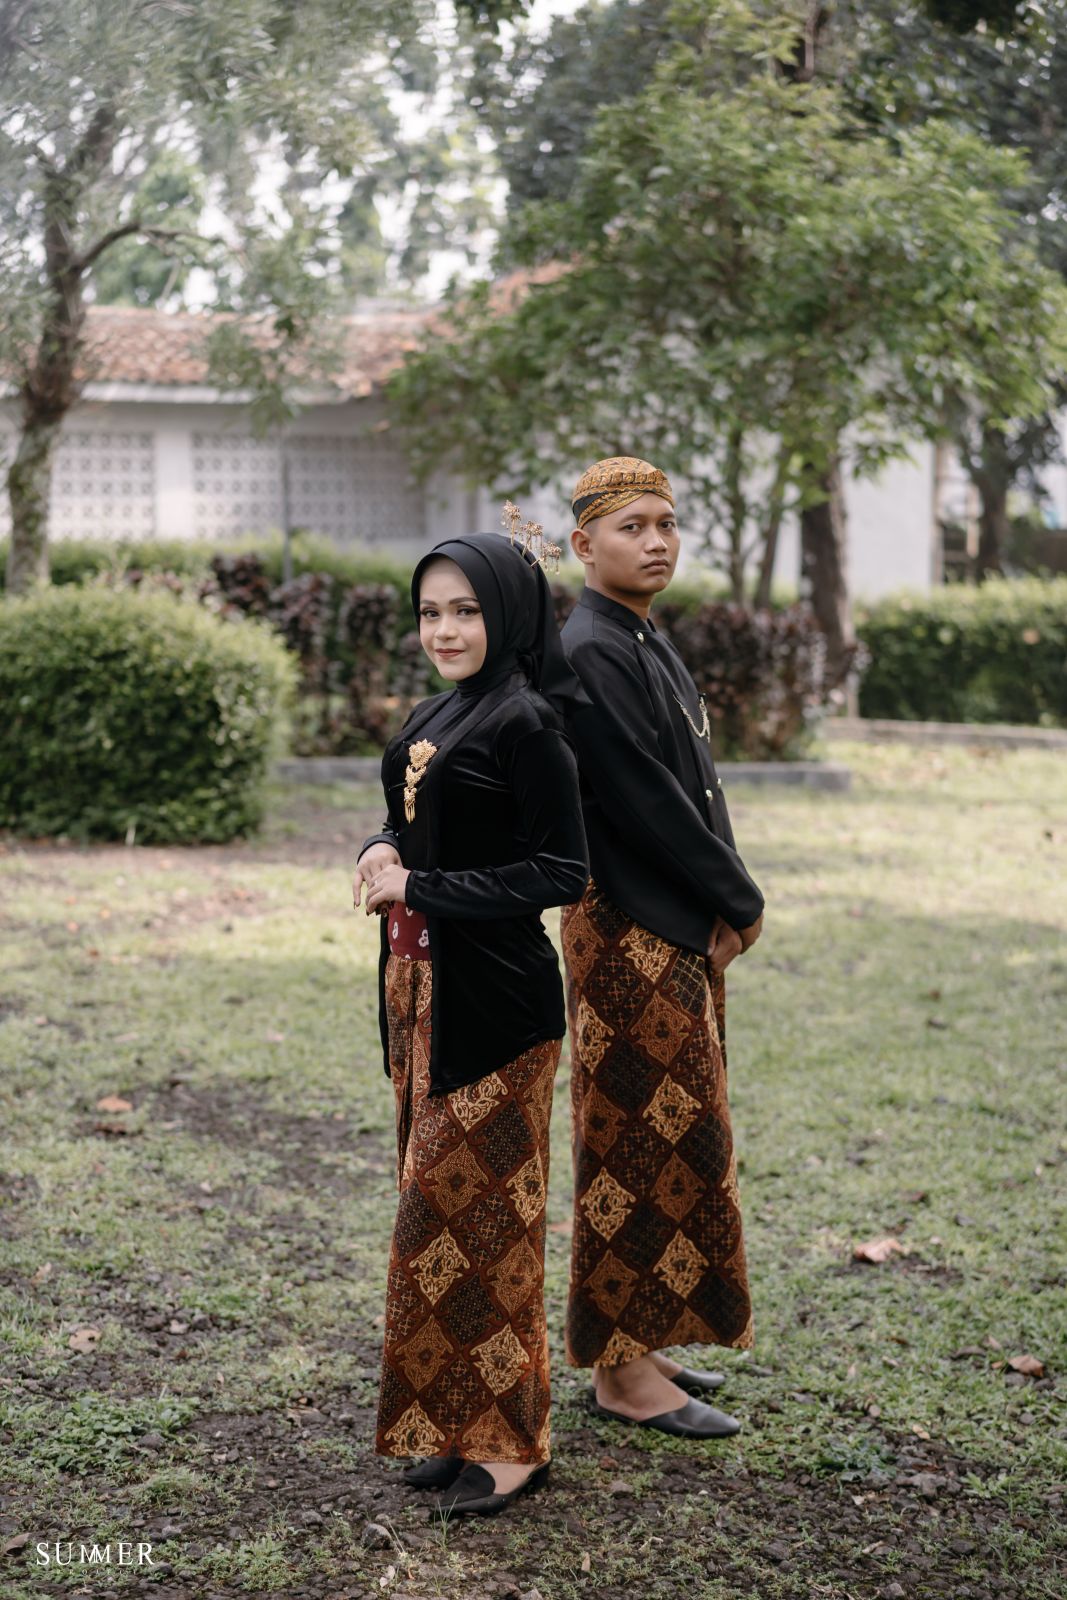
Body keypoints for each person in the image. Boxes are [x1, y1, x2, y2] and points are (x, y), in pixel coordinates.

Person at [352, 527, 589, 1517]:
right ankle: (454, 1423)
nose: (444, 630)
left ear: (509, 614)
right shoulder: (436, 711)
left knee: (485, 1229)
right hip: (422, 998)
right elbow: (413, 826)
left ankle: (512, 1442)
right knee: (434, 1227)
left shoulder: (527, 722)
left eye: (466, 610)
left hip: (495, 1010)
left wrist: (422, 885)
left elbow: (561, 870)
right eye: (430, 612)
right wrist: (378, 849)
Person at [558, 456, 766, 1439]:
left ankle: (640, 1342)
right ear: (582, 544)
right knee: (631, 1146)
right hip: (625, 931)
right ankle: (621, 1374)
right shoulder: (588, 650)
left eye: (665, 523)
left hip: (669, 922)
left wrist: (717, 901)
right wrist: (738, 897)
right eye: (630, 526)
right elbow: (646, 803)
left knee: (675, 1136)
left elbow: (695, 790)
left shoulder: (635, 635)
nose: (655, 541)